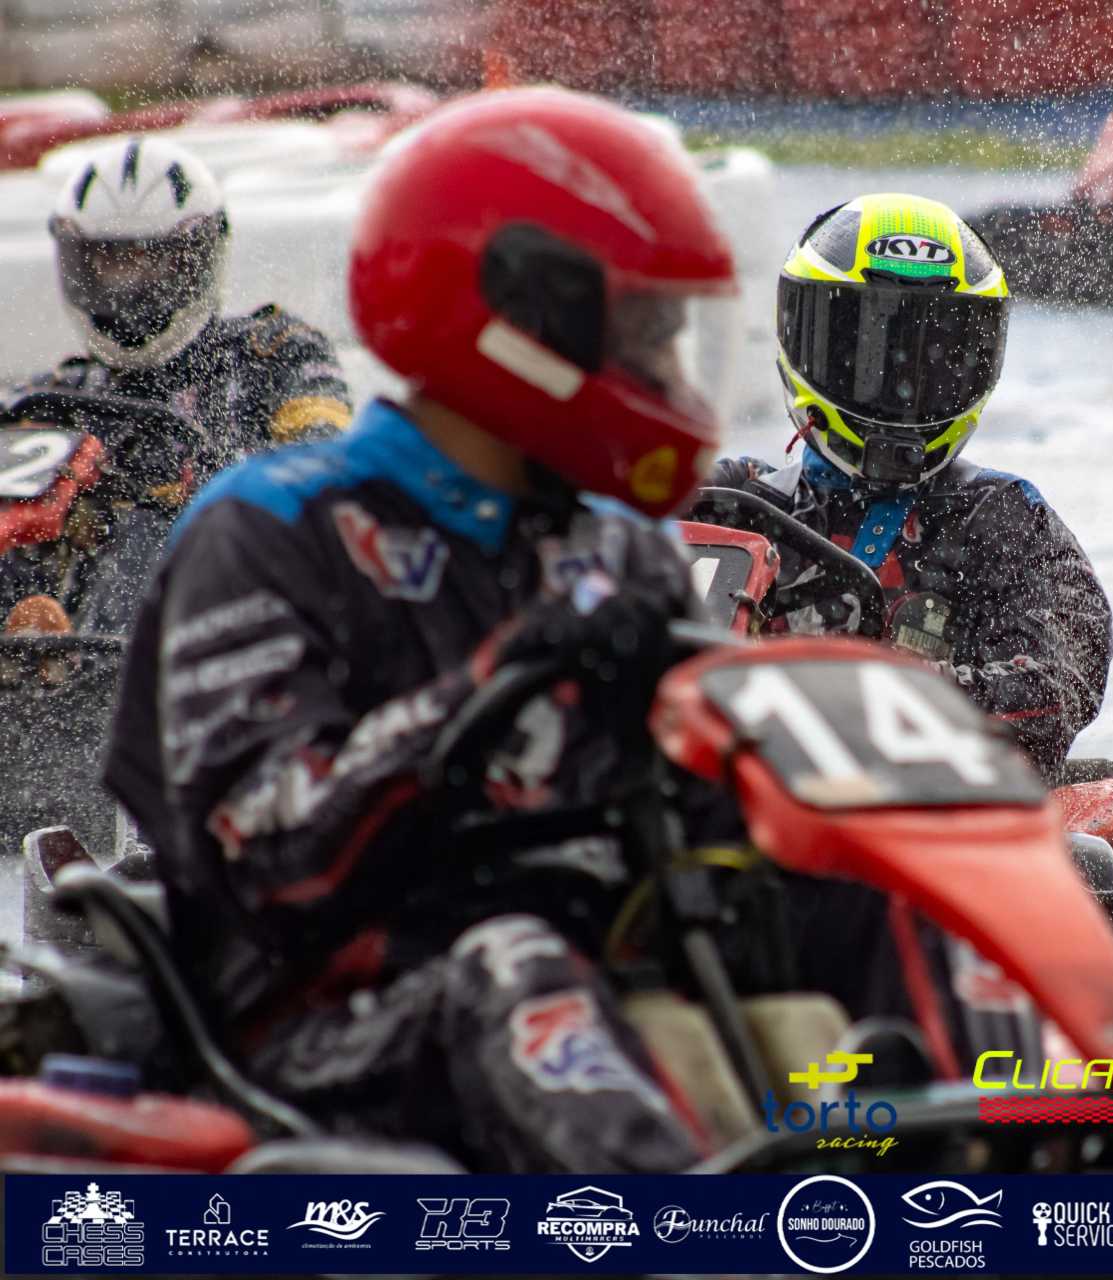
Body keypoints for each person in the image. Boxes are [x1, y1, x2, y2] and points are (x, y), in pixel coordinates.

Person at [101, 88, 738, 1172]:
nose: (667, 370)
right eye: (645, 334)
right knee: (512, 963)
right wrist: (514, 667)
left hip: (598, 963)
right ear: (523, 324)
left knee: (865, 914)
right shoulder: (268, 529)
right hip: (320, 1024)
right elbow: (268, 857)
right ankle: (692, 1233)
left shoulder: (620, 547)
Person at [695, 193, 1113, 779]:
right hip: (737, 801)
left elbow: (1056, 691)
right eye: (865, 351)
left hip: (942, 808)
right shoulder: (732, 506)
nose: (899, 383)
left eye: (932, 359)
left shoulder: (1003, 517)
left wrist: (855, 696)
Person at [1, 135, 351, 632]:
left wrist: (194, 488)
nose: (127, 286)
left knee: (158, 518)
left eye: (151, 260)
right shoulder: (53, 400)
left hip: (234, 610)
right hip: (76, 645)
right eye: (109, 262)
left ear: (200, 255)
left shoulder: (273, 353)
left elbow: (324, 464)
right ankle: (36, 648)